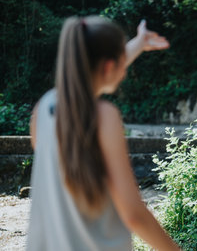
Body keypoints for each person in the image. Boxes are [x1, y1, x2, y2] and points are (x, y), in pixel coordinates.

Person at [27, 16, 180, 251]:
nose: (125, 73)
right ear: (109, 66)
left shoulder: (42, 109)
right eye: (122, 65)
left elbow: (93, 75)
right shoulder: (104, 117)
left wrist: (138, 44)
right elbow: (133, 215)